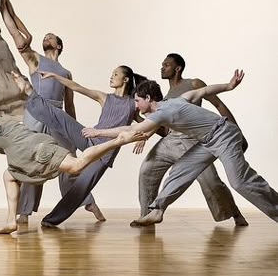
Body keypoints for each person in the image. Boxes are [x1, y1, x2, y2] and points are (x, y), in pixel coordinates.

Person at [82, 71, 278, 226]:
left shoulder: (161, 114)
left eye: (137, 100)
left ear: (148, 98)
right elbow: (204, 91)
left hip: (224, 134)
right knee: (181, 169)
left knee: (239, 182)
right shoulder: (177, 100)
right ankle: (157, 210)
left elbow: (131, 129)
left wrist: (98, 132)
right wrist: (228, 86)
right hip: (208, 141)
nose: (135, 105)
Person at [0, 85, 145, 234]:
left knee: (76, 166)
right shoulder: (1, 120)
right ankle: (10, 221)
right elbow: (9, 142)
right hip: (30, 154)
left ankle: (117, 140)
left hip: (38, 151)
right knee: (9, 176)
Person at [137, 53, 248, 226]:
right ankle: (147, 215)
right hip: (171, 141)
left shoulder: (193, 84)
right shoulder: (165, 96)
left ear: (177, 68)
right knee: (147, 170)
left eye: (166, 65)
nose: (162, 67)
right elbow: (165, 130)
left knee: (210, 182)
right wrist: (142, 133)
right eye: (162, 64)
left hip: (194, 140)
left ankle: (235, 214)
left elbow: (219, 105)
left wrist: (237, 133)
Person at [10, 31, 103, 224]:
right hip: (36, 111)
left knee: (70, 159)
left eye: (50, 37)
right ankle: (24, 212)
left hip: (57, 113)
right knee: (31, 159)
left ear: (59, 46)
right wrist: (7, 10)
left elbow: (69, 104)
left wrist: (74, 133)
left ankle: (87, 201)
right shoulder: (36, 59)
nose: (46, 38)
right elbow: (21, 45)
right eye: (44, 37)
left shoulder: (66, 72)